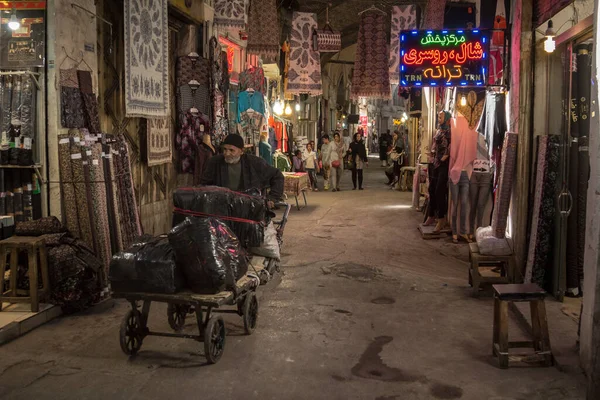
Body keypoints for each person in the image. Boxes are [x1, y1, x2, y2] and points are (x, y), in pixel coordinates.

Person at [200, 134, 284, 207]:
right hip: (223, 208)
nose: (227, 153)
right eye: (225, 149)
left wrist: (272, 198)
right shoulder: (215, 162)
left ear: (241, 151)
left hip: (250, 208)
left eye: (231, 150)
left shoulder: (255, 163)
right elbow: (205, 184)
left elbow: (277, 176)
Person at [426, 111, 452, 233]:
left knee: (439, 191)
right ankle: (431, 215)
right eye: (438, 116)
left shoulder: (448, 132)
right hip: (435, 163)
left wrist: (442, 159)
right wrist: (431, 154)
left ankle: (441, 219)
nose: (438, 118)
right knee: (431, 189)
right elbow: (435, 145)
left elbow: (448, 148)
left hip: (443, 165)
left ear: (446, 118)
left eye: (440, 116)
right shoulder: (439, 130)